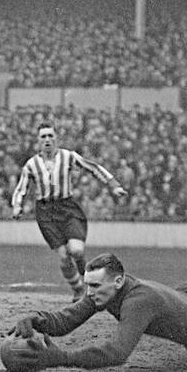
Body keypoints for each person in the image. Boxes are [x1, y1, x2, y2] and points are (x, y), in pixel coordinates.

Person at [0, 228, 187, 372]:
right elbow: (66, 320)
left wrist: (60, 358)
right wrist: (36, 319)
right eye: (88, 285)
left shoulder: (136, 301)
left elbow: (116, 353)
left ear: (117, 281)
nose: (89, 293)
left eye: (94, 286)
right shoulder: (105, 290)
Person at [11, 123, 129, 298]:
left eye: (50, 136)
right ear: (38, 141)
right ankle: (78, 289)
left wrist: (113, 185)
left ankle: (85, 276)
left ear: (56, 138)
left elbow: (93, 168)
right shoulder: (31, 164)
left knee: (77, 250)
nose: (47, 140)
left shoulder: (68, 156)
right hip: (45, 212)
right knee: (64, 256)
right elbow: (21, 187)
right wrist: (17, 205)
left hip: (67, 207)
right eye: (43, 137)